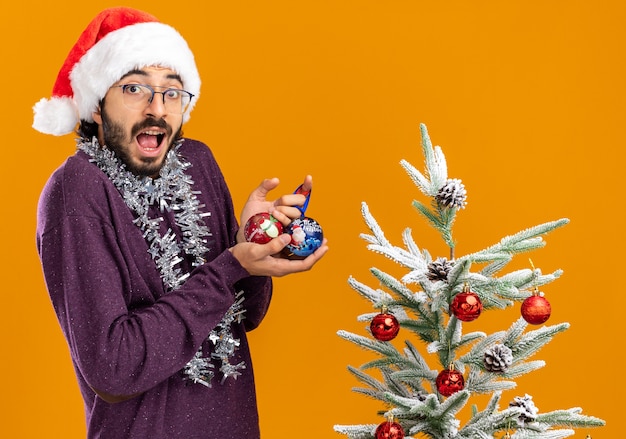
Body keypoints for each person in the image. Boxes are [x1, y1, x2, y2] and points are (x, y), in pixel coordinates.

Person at [33, 7, 328, 439]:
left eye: (173, 92)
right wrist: (232, 265)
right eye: (135, 88)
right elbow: (114, 368)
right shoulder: (76, 191)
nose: (158, 109)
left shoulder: (197, 160)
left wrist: (255, 241)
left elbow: (246, 315)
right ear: (96, 106)